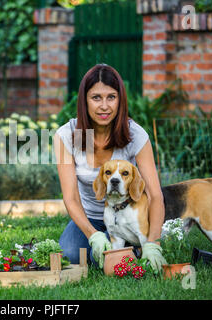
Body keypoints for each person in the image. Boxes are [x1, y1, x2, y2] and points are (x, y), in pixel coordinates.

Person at [53, 64, 167, 271]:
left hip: (129, 215)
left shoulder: (136, 135)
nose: (104, 106)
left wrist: (153, 242)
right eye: (96, 97)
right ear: (84, 100)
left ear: (120, 100)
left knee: (107, 260)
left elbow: (155, 195)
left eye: (111, 97)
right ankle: (123, 249)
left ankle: (138, 248)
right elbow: (70, 198)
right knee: (70, 255)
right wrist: (92, 235)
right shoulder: (65, 136)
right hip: (90, 217)